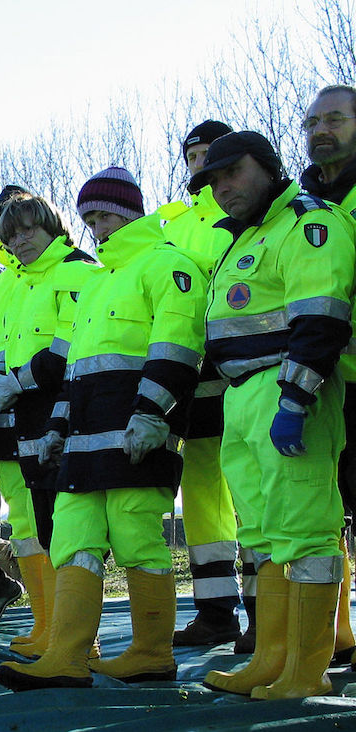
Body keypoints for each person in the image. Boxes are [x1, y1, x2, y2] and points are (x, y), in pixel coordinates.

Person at [0, 167, 207, 691]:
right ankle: (67, 656)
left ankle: (152, 652)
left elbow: (178, 348)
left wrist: (153, 413)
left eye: (106, 215)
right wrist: (56, 429)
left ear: (132, 211)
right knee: (72, 540)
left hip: (137, 433)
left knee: (137, 538)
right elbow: (77, 371)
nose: (98, 227)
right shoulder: (98, 283)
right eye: (90, 218)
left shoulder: (167, 265)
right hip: (81, 443)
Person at [191, 131, 354, 699]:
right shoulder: (240, 241)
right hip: (241, 398)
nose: (221, 189)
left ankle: (308, 669)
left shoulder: (309, 224)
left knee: (305, 534)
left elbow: (322, 319)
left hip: (287, 391)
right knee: (261, 535)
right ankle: (272, 657)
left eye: (231, 173)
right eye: (212, 181)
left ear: (266, 166)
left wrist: (296, 401)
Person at [0, 188, 97, 657]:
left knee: (72, 531)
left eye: (30, 229)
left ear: (52, 226)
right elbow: (3, 351)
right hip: (22, 418)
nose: (21, 240)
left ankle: (75, 643)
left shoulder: (78, 272)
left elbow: (71, 348)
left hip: (66, 414)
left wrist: (17, 382)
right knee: (41, 529)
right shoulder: (10, 287)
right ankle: (50, 629)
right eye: (11, 234)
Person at [160, 120, 245, 649]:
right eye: (191, 155)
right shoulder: (173, 223)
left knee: (253, 492)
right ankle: (216, 612)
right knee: (203, 499)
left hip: (244, 372)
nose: (200, 163)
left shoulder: (247, 212)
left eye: (210, 153)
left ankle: (268, 615)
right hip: (193, 379)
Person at [299, 84, 356, 666]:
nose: (322, 130)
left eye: (335, 119)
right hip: (327, 383)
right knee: (330, 511)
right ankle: (340, 638)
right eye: (313, 121)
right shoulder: (305, 206)